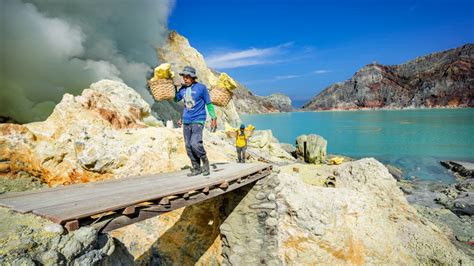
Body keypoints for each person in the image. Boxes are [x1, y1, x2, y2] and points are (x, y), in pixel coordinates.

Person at [174, 66, 217, 176]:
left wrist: (213, 118)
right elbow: (175, 99)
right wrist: (174, 88)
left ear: (193, 77)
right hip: (186, 120)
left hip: (198, 119)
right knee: (188, 146)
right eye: (184, 77)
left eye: (188, 77)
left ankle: (205, 162)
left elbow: (209, 103)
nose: (185, 79)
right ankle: (196, 168)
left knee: (195, 143)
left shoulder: (201, 88)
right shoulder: (182, 89)